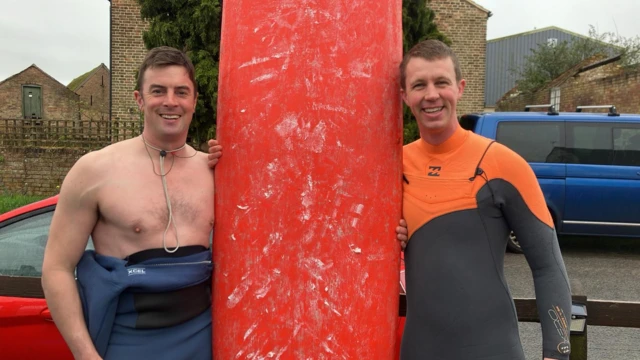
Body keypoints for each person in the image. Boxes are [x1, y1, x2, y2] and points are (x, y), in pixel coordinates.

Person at [395, 40, 572, 360]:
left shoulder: (503, 165)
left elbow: (548, 267)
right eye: (419, 85)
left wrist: (557, 354)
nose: (431, 94)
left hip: (492, 349)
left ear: (460, 88)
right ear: (405, 96)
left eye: (442, 82)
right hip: (419, 349)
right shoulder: (393, 168)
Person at [42, 46, 221, 360]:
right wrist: (86, 355)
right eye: (158, 91)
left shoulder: (217, 172)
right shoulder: (94, 170)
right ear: (140, 99)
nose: (170, 101)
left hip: (203, 338)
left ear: (194, 101)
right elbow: (56, 269)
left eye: (181, 91)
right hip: (128, 342)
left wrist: (238, 157)